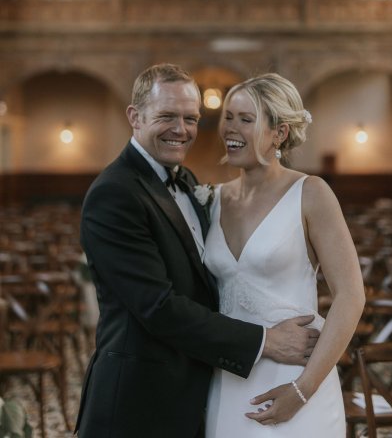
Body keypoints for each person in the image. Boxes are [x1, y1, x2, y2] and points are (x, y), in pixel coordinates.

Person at [75, 64, 319, 438]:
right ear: (134, 117)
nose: (182, 129)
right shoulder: (115, 193)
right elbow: (158, 307)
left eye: (191, 118)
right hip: (137, 403)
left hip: (200, 389)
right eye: (167, 116)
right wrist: (265, 340)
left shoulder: (186, 181)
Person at [204, 73, 365, 437]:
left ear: (280, 133)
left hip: (294, 377)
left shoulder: (311, 193)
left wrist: (302, 390)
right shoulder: (212, 199)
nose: (230, 127)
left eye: (247, 119)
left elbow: (351, 296)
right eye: (229, 116)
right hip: (229, 374)